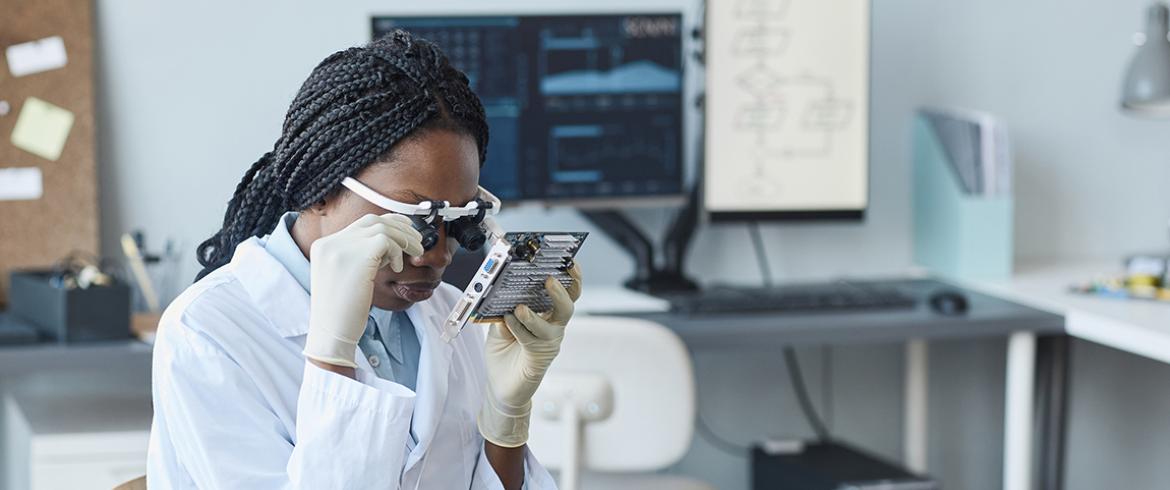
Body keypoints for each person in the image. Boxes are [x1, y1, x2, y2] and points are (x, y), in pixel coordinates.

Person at [146, 31, 581, 489]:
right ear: (323, 191)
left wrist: (505, 421)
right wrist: (333, 360)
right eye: (416, 219)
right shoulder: (208, 334)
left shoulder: (448, 317)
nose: (438, 254)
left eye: (457, 222)